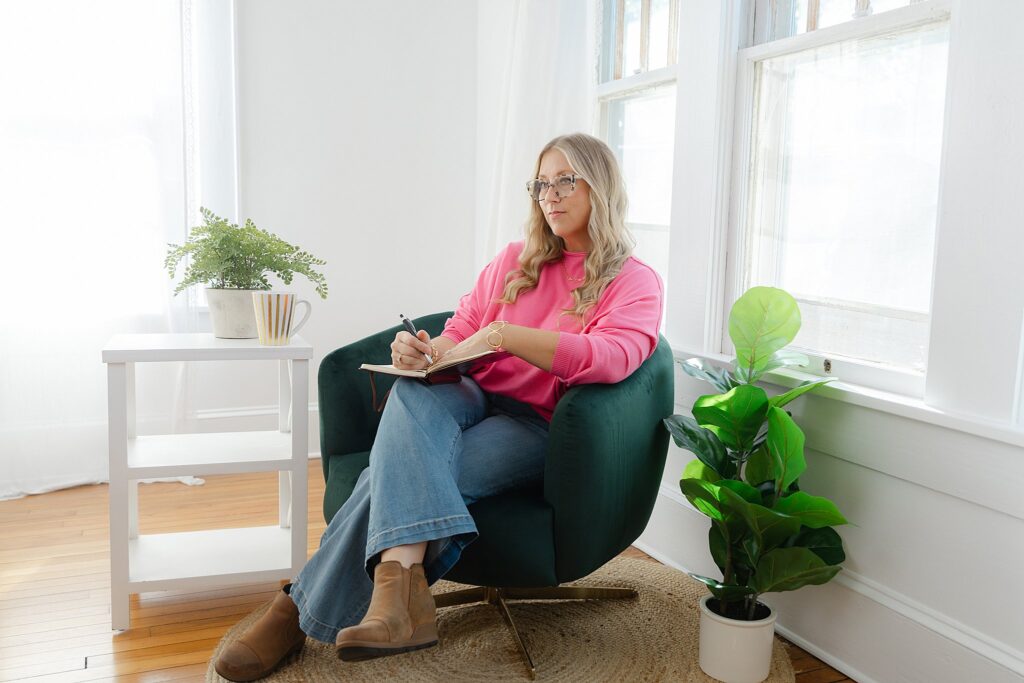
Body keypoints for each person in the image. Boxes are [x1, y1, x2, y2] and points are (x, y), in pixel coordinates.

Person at [213, 132, 665, 681]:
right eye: (541, 183)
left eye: (566, 180)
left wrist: (508, 335)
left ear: (601, 185)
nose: (550, 194)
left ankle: (296, 610)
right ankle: (402, 597)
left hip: (537, 425)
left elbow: (612, 358)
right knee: (412, 388)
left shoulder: (633, 281)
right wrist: (425, 352)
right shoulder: (513, 262)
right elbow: (460, 333)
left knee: (385, 476)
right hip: (470, 391)